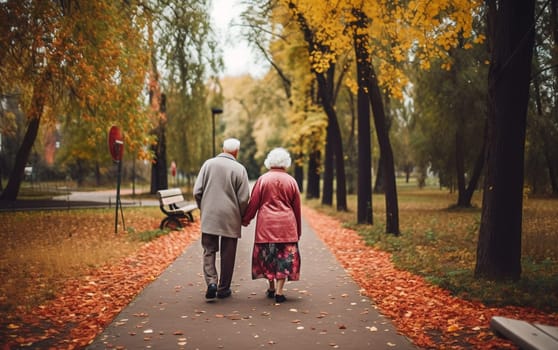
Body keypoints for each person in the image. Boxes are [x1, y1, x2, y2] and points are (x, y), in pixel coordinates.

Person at [193, 138, 250, 300]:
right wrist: (241, 215)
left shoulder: (208, 164)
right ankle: (224, 288)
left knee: (209, 249)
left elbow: (197, 191)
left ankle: (211, 282)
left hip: (210, 214)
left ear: (223, 149)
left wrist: (204, 208)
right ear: (236, 151)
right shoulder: (240, 169)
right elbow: (244, 198)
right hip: (231, 217)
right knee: (228, 253)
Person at [242, 147, 301, 303]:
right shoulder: (291, 181)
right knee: (285, 259)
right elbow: (297, 209)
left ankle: (271, 287)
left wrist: (246, 219)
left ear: (269, 161)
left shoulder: (262, 180)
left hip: (266, 227)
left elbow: (253, 203)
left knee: (268, 257)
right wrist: (298, 231)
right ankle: (279, 292)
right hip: (287, 227)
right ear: (285, 163)